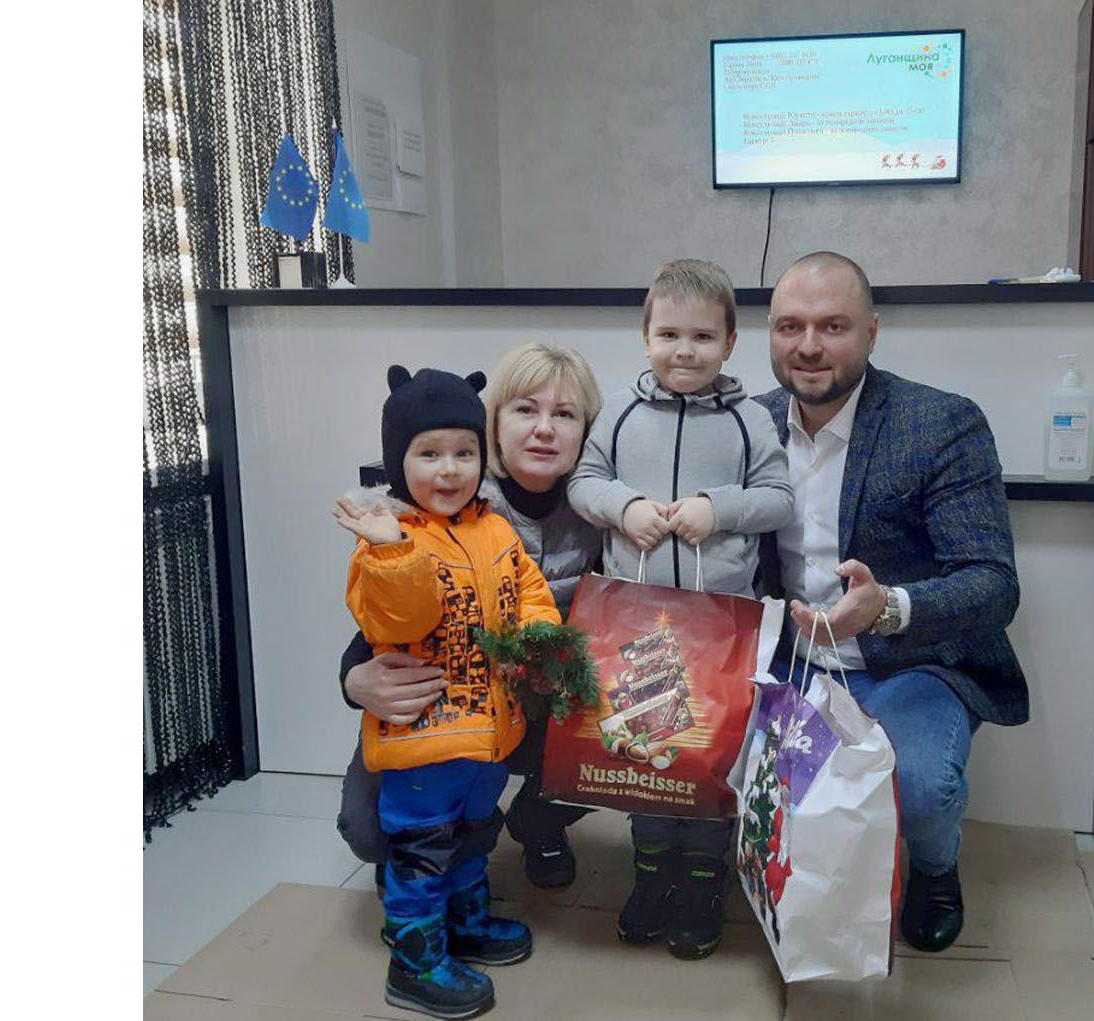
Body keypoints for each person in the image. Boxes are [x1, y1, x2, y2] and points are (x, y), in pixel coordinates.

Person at [754, 251, 1028, 953]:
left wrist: (887, 607)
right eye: (790, 326)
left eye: (833, 326)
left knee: (920, 786)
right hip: (789, 662)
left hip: (908, 663)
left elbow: (993, 582)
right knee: (701, 747)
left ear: (872, 332)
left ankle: (934, 867)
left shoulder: (940, 423)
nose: (809, 346)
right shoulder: (747, 423)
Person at [567, 258, 794, 960]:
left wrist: (716, 509)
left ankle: (701, 881)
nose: (684, 351)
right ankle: (651, 874)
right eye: (668, 334)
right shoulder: (619, 413)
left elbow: (779, 500)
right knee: (645, 758)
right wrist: (624, 506)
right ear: (645, 337)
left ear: (730, 343)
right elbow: (583, 480)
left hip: (721, 632)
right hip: (636, 629)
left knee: (709, 757)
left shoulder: (750, 419)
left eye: (702, 336)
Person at [332, 365, 560, 1019]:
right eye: (429, 453)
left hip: (490, 732)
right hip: (424, 737)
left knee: (474, 833)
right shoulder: (384, 541)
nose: (450, 469)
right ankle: (414, 957)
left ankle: (464, 921)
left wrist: (540, 634)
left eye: (464, 452)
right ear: (398, 462)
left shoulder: (495, 529)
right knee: (423, 847)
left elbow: (529, 590)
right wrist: (392, 553)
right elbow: (401, 621)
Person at [337, 344, 605, 890]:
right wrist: (351, 679)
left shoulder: (604, 507)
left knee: (632, 735)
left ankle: (539, 823)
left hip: (549, 690)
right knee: (369, 829)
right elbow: (385, 617)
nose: (544, 429)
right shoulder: (448, 494)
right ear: (494, 424)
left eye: (564, 414)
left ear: (586, 430)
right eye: (525, 410)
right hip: (454, 696)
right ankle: (424, 861)